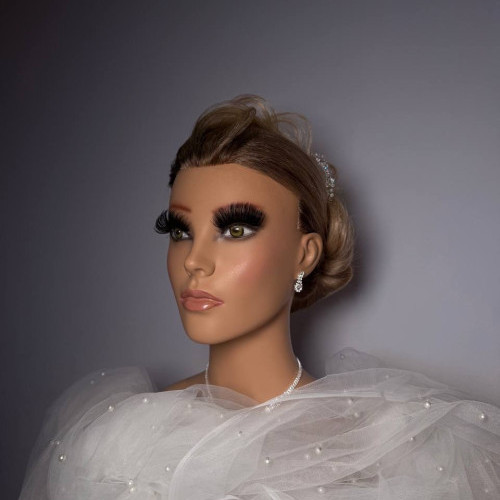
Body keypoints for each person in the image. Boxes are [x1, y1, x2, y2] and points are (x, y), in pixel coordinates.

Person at [19, 95, 500, 499]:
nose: (194, 260)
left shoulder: (401, 449)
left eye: (235, 229)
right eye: (180, 231)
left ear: (304, 255)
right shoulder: (118, 446)